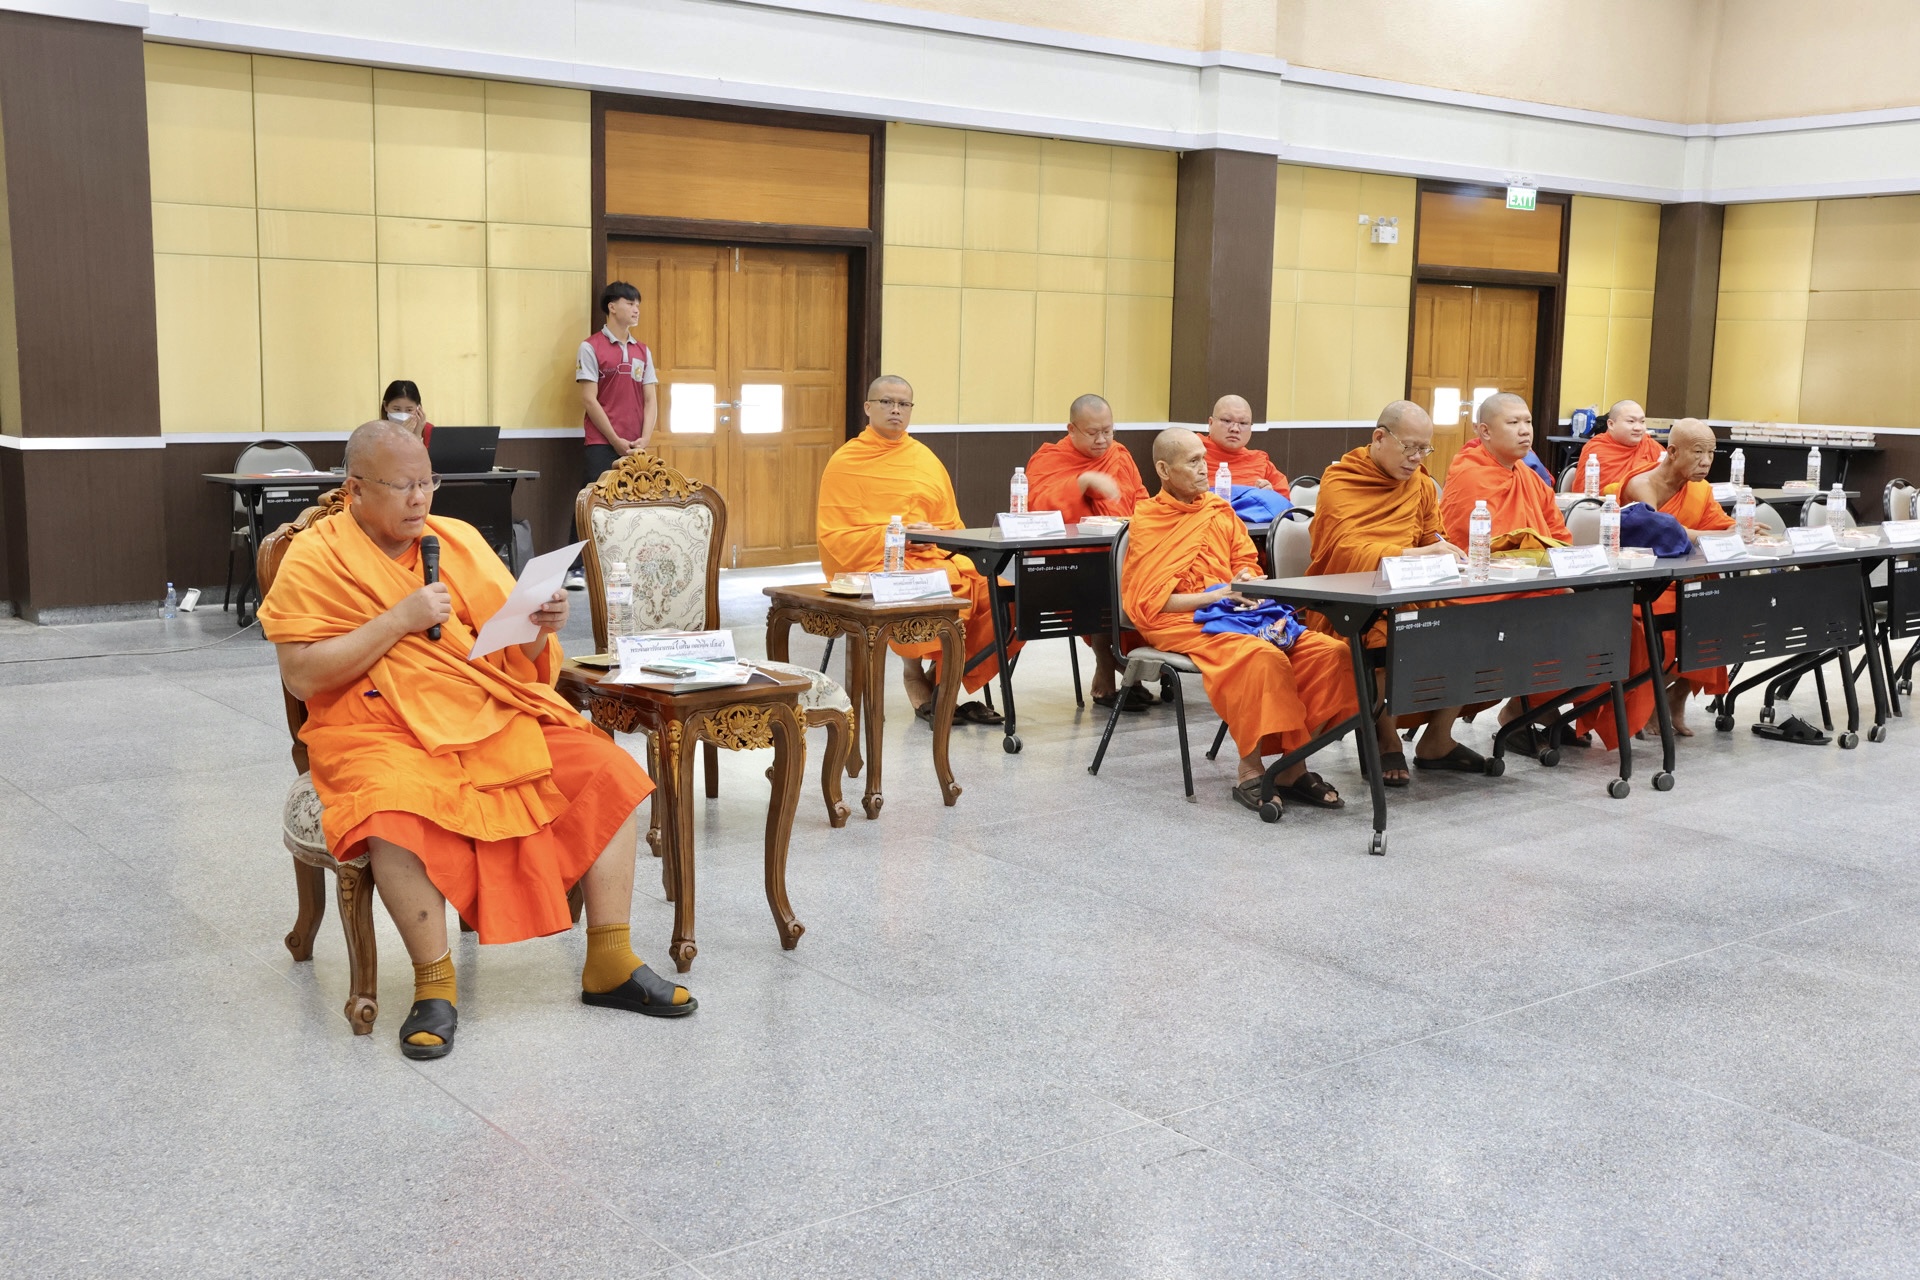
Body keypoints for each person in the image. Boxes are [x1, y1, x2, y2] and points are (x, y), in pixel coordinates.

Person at [257, 421, 694, 1062]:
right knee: (391, 806)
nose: (420, 498)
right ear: (356, 489)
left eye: (427, 482)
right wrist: (398, 620)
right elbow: (302, 674)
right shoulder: (315, 556)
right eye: (402, 486)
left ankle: (610, 959)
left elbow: (505, 655)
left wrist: (539, 628)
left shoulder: (455, 540)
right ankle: (434, 985)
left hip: (482, 709)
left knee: (604, 766)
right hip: (377, 726)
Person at [1124, 428, 1358, 815]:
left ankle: (1292, 766)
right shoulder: (1149, 520)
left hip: (1239, 613)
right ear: (1164, 470)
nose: (1205, 468)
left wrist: (1249, 586)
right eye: (1194, 462)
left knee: (1333, 653)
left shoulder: (1219, 510)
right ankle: (1250, 767)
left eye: (1204, 459)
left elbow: (1245, 564)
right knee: (1261, 658)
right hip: (1182, 620)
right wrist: (1216, 597)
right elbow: (1152, 603)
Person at [815, 376, 1017, 724]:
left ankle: (943, 684)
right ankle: (913, 674)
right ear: (868, 408)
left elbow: (952, 527)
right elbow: (836, 535)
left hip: (932, 556)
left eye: (903, 404)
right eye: (887, 402)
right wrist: (899, 535)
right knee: (928, 587)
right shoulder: (846, 461)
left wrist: (932, 535)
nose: (896, 410)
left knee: (1003, 595)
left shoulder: (924, 459)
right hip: (875, 560)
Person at [1307, 401, 1478, 783]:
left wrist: (1444, 549)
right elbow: (1346, 551)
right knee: (1386, 635)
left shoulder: (1420, 484)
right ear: (1379, 438)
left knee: (1472, 628)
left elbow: (1430, 535)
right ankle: (1386, 740)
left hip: (1411, 589)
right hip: (1350, 601)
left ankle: (1438, 739)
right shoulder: (1341, 480)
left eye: (1424, 449)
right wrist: (1420, 553)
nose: (1417, 458)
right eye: (1409, 447)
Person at [1438, 393, 1576, 748]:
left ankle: (1531, 706)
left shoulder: (1528, 477)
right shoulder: (1471, 476)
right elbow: (1476, 549)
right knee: (1560, 617)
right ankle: (1523, 709)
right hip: (1482, 590)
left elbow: (1559, 535)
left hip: (1531, 583)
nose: (1525, 430)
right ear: (1484, 431)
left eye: (1527, 421)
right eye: (1513, 423)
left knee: (1594, 617)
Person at [1610, 417, 1734, 737]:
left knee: (1719, 616)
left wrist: (1740, 531)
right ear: (1673, 451)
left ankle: (1675, 697)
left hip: (1684, 579)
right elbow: (1664, 535)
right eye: (1698, 452)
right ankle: (1648, 702)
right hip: (1644, 585)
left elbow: (1720, 527)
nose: (1706, 461)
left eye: (1711, 453)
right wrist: (1716, 537)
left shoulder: (1699, 489)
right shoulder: (1642, 486)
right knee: (1676, 626)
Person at [1023, 393, 1148, 710]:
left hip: (1123, 552)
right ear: (1071, 429)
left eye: (1108, 431)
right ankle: (1107, 665)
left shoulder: (1120, 456)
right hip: (1067, 561)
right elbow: (1036, 506)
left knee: (1151, 578)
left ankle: (1134, 669)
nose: (1102, 440)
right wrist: (1080, 483)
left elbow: (1142, 500)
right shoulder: (1049, 459)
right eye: (1093, 433)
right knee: (1099, 580)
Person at [577, 281, 658, 483]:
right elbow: (589, 400)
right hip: (601, 442)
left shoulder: (643, 350)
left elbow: (650, 399)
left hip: (635, 445)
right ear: (612, 307)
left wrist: (645, 438)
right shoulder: (590, 347)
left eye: (638, 305)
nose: (636, 310)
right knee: (597, 499)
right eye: (630, 304)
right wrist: (614, 440)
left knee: (634, 501)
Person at [1202, 394, 1289, 493]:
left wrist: (1270, 494)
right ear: (1211, 423)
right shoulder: (1194, 453)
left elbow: (1283, 497)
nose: (1235, 429)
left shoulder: (1259, 462)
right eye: (1227, 421)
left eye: (1243, 423)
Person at [1575, 399, 1664, 493]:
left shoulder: (1651, 445)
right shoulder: (1597, 449)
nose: (1638, 428)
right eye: (1631, 421)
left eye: (1642, 421)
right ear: (1611, 424)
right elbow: (1587, 492)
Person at [380, 379, 432, 447]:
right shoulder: (377, 432)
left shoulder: (430, 431)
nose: (403, 416)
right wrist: (401, 437)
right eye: (397, 409)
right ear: (385, 406)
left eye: (409, 410)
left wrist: (417, 436)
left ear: (418, 408)